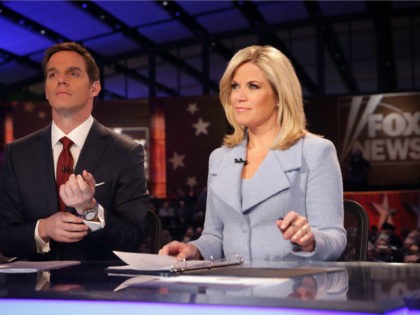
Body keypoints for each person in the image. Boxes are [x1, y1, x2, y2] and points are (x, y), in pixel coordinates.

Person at [159, 45, 346, 262]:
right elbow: (215, 236)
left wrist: (311, 240)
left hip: (293, 289)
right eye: (235, 86)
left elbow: (336, 237)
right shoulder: (219, 158)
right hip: (230, 290)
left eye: (253, 86)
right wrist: (193, 249)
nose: (239, 96)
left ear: (279, 95)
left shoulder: (316, 152)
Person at [0, 42, 150, 261]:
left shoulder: (126, 152)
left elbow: (133, 239)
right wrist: (43, 229)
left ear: (94, 88)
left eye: (73, 73)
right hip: (32, 291)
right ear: (47, 92)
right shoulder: (18, 153)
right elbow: (4, 236)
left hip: (99, 288)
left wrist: (90, 210)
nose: (61, 79)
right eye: (52, 75)